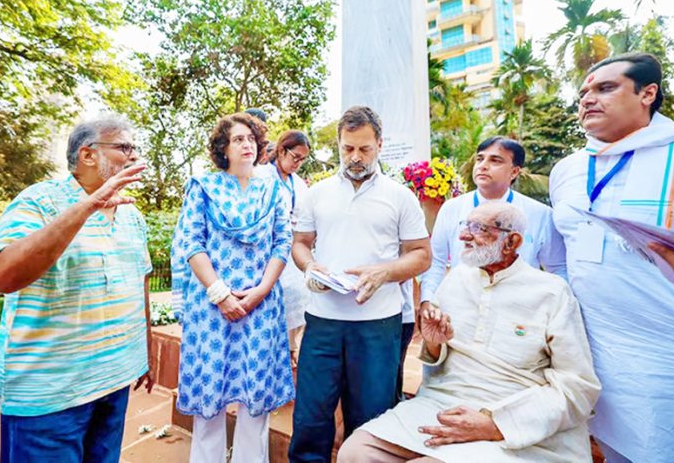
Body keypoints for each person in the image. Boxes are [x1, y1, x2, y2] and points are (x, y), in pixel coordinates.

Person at [338, 202, 601, 463]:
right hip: (442, 402)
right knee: (356, 453)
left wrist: (494, 424)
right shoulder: (456, 279)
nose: (464, 235)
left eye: (479, 228)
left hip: (514, 413)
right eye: (465, 226)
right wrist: (433, 343)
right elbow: (437, 356)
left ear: (512, 242)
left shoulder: (551, 292)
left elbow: (577, 386)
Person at [0, 116, 153, 463]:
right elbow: (2, 276)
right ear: (88, 155)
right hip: (51, 395)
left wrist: (145, 354)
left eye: (135, 148)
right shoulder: (39, 201)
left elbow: (141, 281)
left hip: (114, 382)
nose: (134, 157)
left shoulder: (131, 216)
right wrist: (87, 206)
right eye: (124, 147)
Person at [549, 53, 674, 462]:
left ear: (648, 94)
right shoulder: (569, 169)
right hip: (594, 351)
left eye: (606, 88)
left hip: (668, 351)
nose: (588, 99)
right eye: (584, 92)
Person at [289, 106, 432, 462]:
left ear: (380, 144)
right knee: (311, 414)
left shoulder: (400, 197)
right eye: (347, 148)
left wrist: (384, 272)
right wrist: (310, 268)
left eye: (364, 149)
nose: (355, 157)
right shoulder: (316, 193)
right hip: (322, 321)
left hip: (377, 324)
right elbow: (300, 243)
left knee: (372, 416)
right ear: (338, 144)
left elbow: (421, 255)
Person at [171, 112, 294, 463]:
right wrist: (220, 294)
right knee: (209, 405)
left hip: (261, 306)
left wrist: (261, 290)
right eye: (238, 139)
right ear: (223, 148)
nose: (247, 145)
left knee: (255, 404)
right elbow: (191, 244)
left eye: (251, 139)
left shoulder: (272, 190)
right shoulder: (203, 187)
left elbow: (282, 242)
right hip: (212, 309)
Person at [420, 136, 566, 320]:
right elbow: (437, 260)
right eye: (480, 159)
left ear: (514, 172)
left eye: (495, 160)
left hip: (518, 314)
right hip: (461, 310)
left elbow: (559, 268)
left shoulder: (540, 214)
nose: (483, 165)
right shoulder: (452, 208)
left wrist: (554, 311)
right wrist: (427, 299)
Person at [255, 129, 312, 366]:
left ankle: (290, 346)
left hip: (292, 246)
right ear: (281, 150)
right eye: (295, 157)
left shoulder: (298, 183)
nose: (298, 163)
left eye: (303, 159)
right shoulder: (261, 176)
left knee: (302, 294)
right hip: (267, 248)